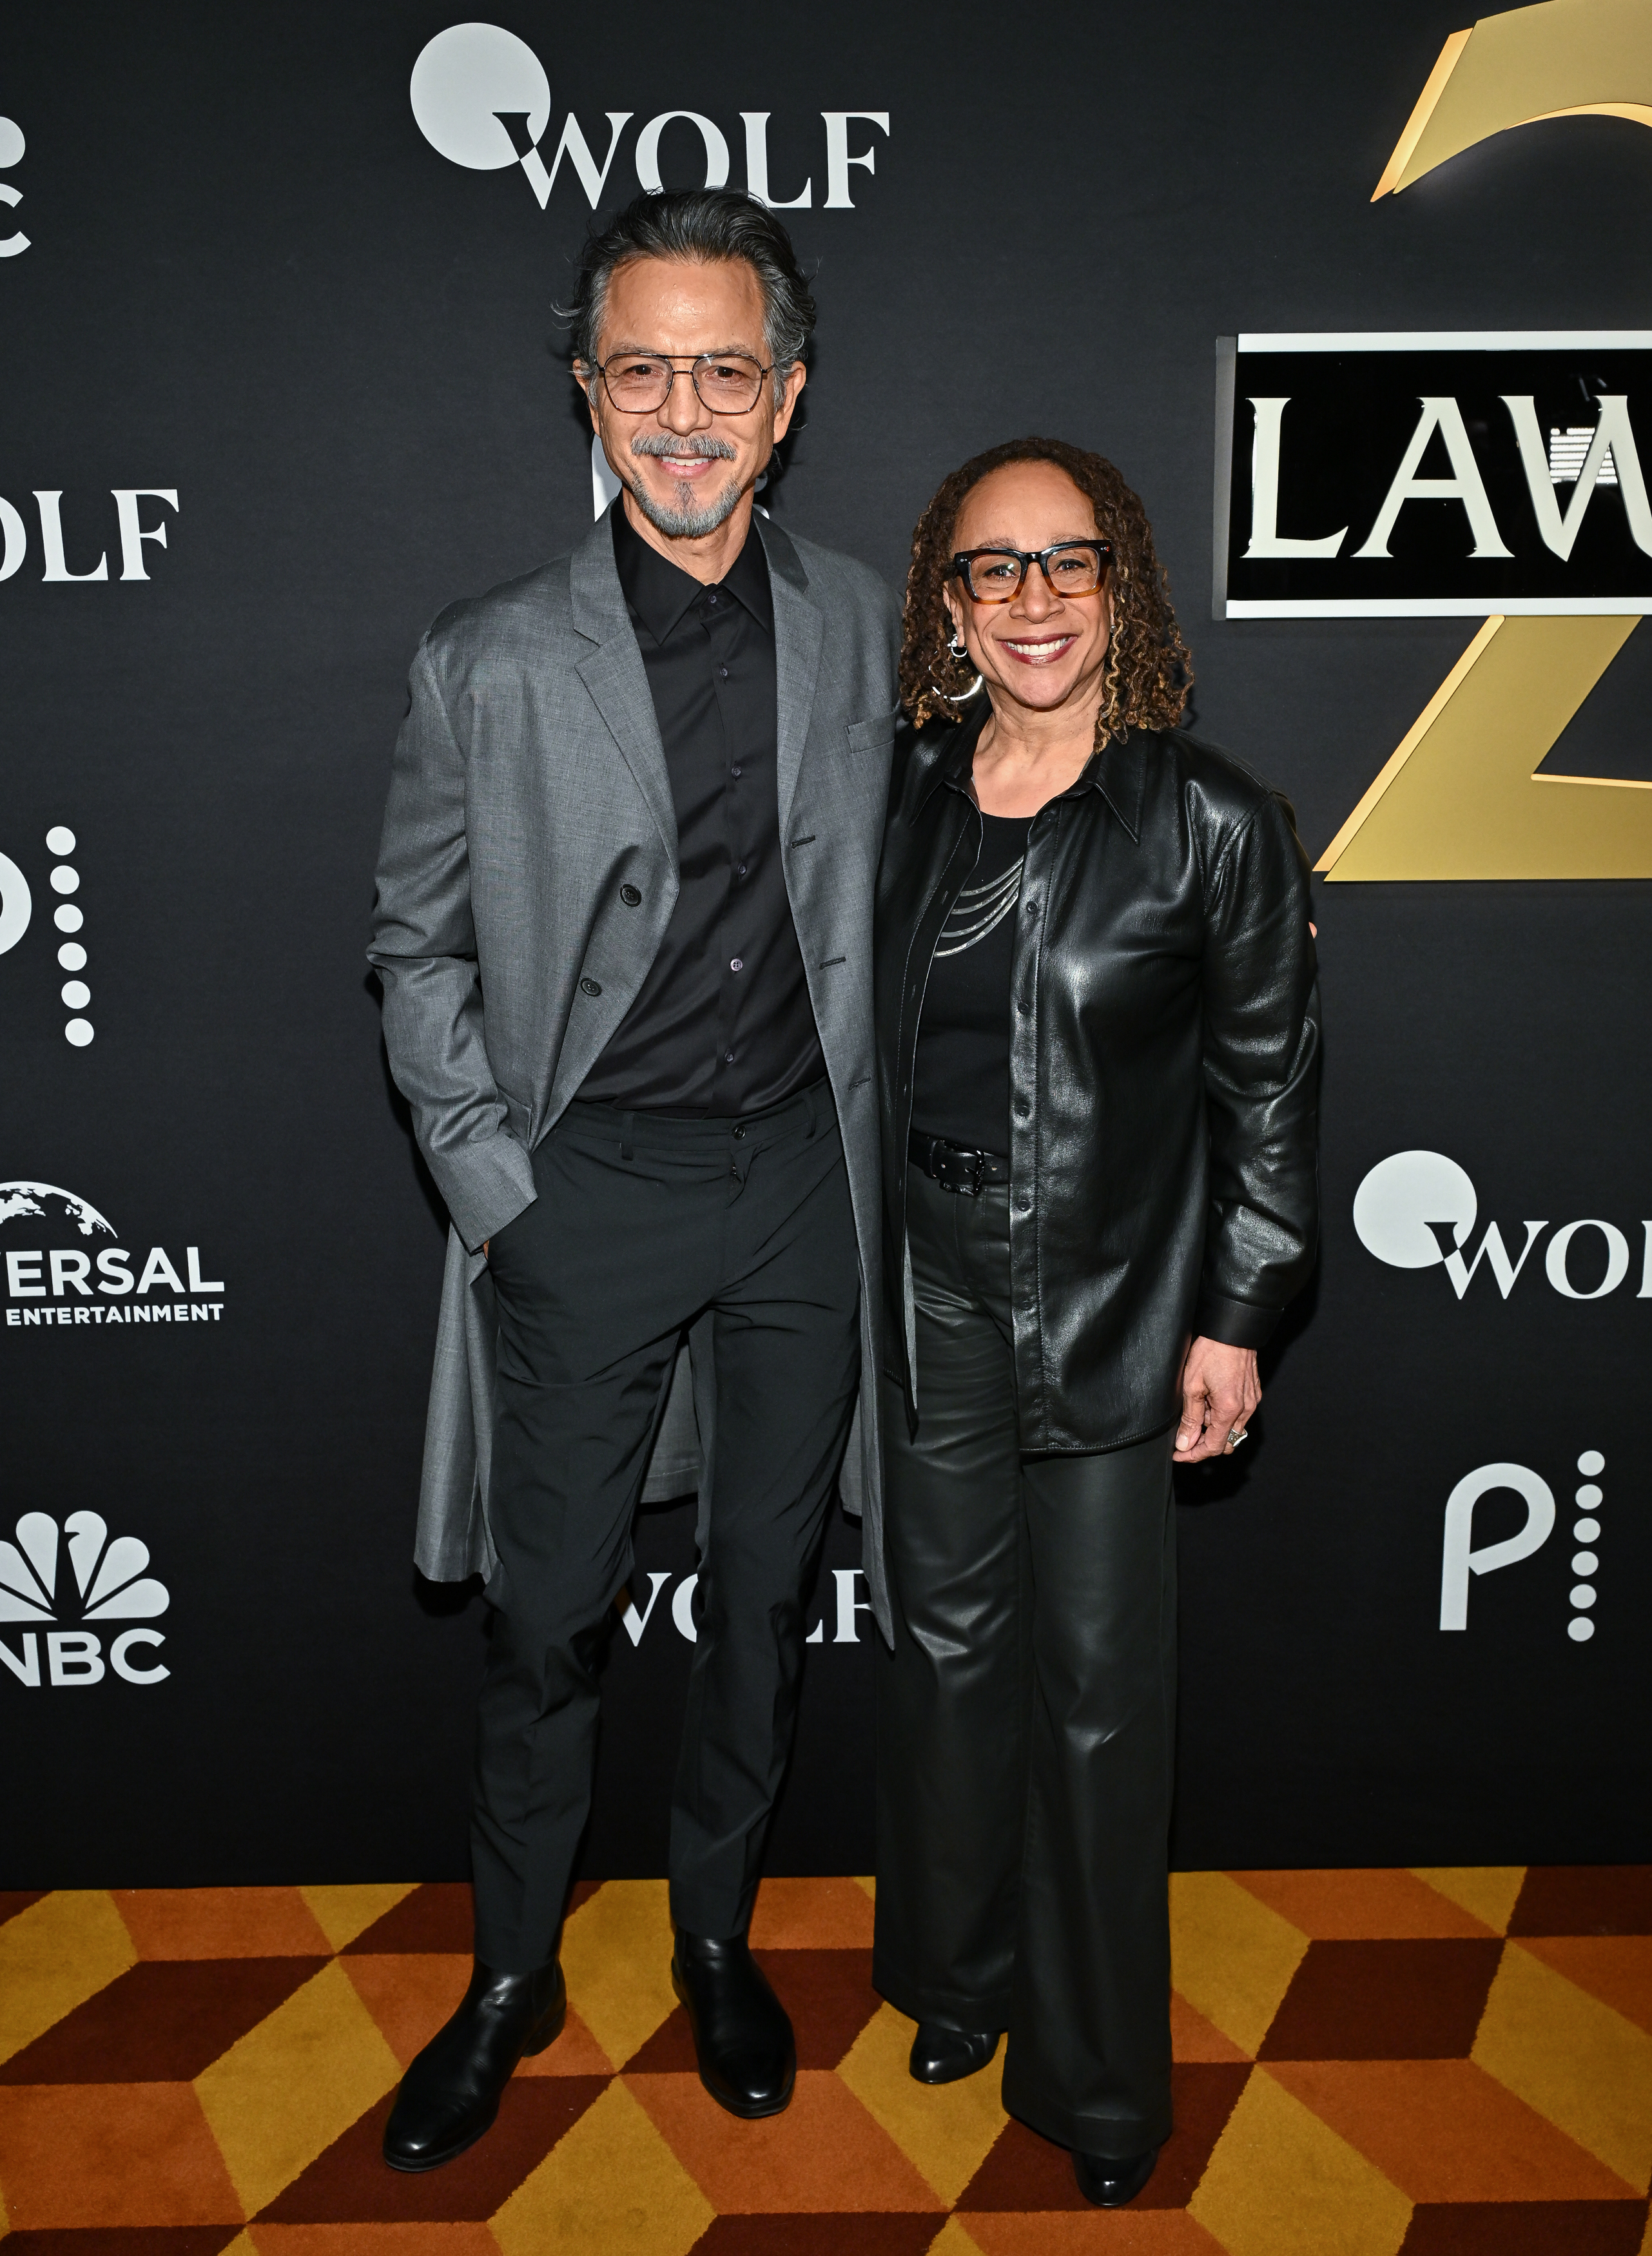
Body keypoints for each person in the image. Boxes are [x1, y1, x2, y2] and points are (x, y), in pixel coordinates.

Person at [368, 188, 899, 2170]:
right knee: (545, 1614)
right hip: (582, 1193)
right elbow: (411, 948)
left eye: (726, 368)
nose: (686, 409)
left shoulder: (866, 623)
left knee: (764, 1599)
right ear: (591, 392)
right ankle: (512, 1974)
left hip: (801, 1195)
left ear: (787, 399)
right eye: (644, 368)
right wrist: (498, 1185)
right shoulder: (485, 660)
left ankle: (710, 1938)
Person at [870, 436, 1319, 2207]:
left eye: (1067, 562)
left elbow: (1268, 1095)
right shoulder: (904, 785)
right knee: (951, 1658)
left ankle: (1099, 2081)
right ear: (948, 601)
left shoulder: (1209, 817)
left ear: (1118, 585)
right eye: (994, 567)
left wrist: (1238, 1310)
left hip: (1111, 1300)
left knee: (1096, 1701)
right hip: (921, 1291)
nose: (1033, 598)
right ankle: (962, 1975)